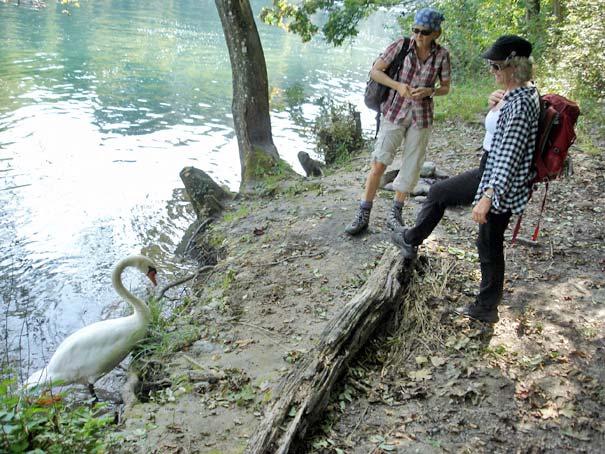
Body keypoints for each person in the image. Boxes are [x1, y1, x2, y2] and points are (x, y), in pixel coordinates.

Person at [391, 35, 540, 324]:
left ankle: (486, 308)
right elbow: (500, 133)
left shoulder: (522, 105)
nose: (491, 72)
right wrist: (495, 101)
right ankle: (411, 238)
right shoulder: (517, 93)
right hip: (491, 169)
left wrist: (487, 197)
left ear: (515, 67)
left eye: (496, 67)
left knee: (488, 243)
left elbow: (508, 158)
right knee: (441, 195)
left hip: (500, 180)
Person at [345, 7, 451, 235]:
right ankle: (364, 212)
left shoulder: (442, 55)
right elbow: (375, 71)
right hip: (393, 112)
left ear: (436, 34)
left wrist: (429, 91)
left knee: (411, 166)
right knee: (379, 163)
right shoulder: (400, 46)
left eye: (424, 32)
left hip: (421, 117)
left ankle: (396, 212)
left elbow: (445, 88)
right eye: (415, 30)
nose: (418, 36)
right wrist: (398, 86)